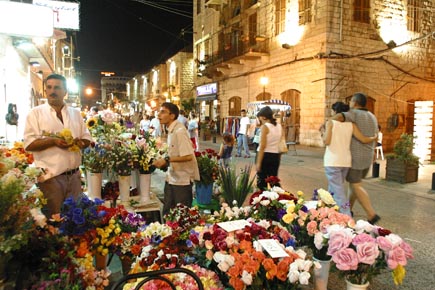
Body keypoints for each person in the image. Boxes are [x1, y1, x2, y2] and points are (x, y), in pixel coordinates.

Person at [23, 74, 92, 217]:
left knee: (76, 222)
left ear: (65, 92)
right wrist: (53, 141)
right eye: (49, 87)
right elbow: (29, 144)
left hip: (74, 178)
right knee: (55, 222)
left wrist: (80, 143)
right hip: (51, 180)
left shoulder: (75, 114)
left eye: (57, 87)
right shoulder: (35, 114)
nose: (52, 91)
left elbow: (87, 139)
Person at [332, 92, 380, 224]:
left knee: (356, 185)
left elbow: (338, 117)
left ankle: (371, 214)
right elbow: (376, 136)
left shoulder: (353, 114)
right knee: (354, 185)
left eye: (351, 102)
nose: (350, 104)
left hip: (356, 159)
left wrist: (329, 124)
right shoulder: (372, 116)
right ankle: (349, 210)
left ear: (355, 102)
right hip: (368, 157)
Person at [152, 102, 200, 216]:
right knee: (168, 213)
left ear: (172, 115)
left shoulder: (180, 131)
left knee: (180, 216)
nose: (159, 115)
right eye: (159, 112)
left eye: (163, 112)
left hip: (182, 181)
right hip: (172, 178)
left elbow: (188, 156)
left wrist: (167, 160)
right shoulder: (171, 130)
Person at [255, 106, 283, 190]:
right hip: (275, 156)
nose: (259, 119)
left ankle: (263, 200)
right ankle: (278, 198)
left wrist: (258, 162)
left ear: (263, 117)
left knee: (262, 182)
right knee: (273, 180)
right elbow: (281, 143)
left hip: (264, 156)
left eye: (260, 117)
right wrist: (279, 157)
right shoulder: (279, 126)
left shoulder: (265, 127)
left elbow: (262, 146)